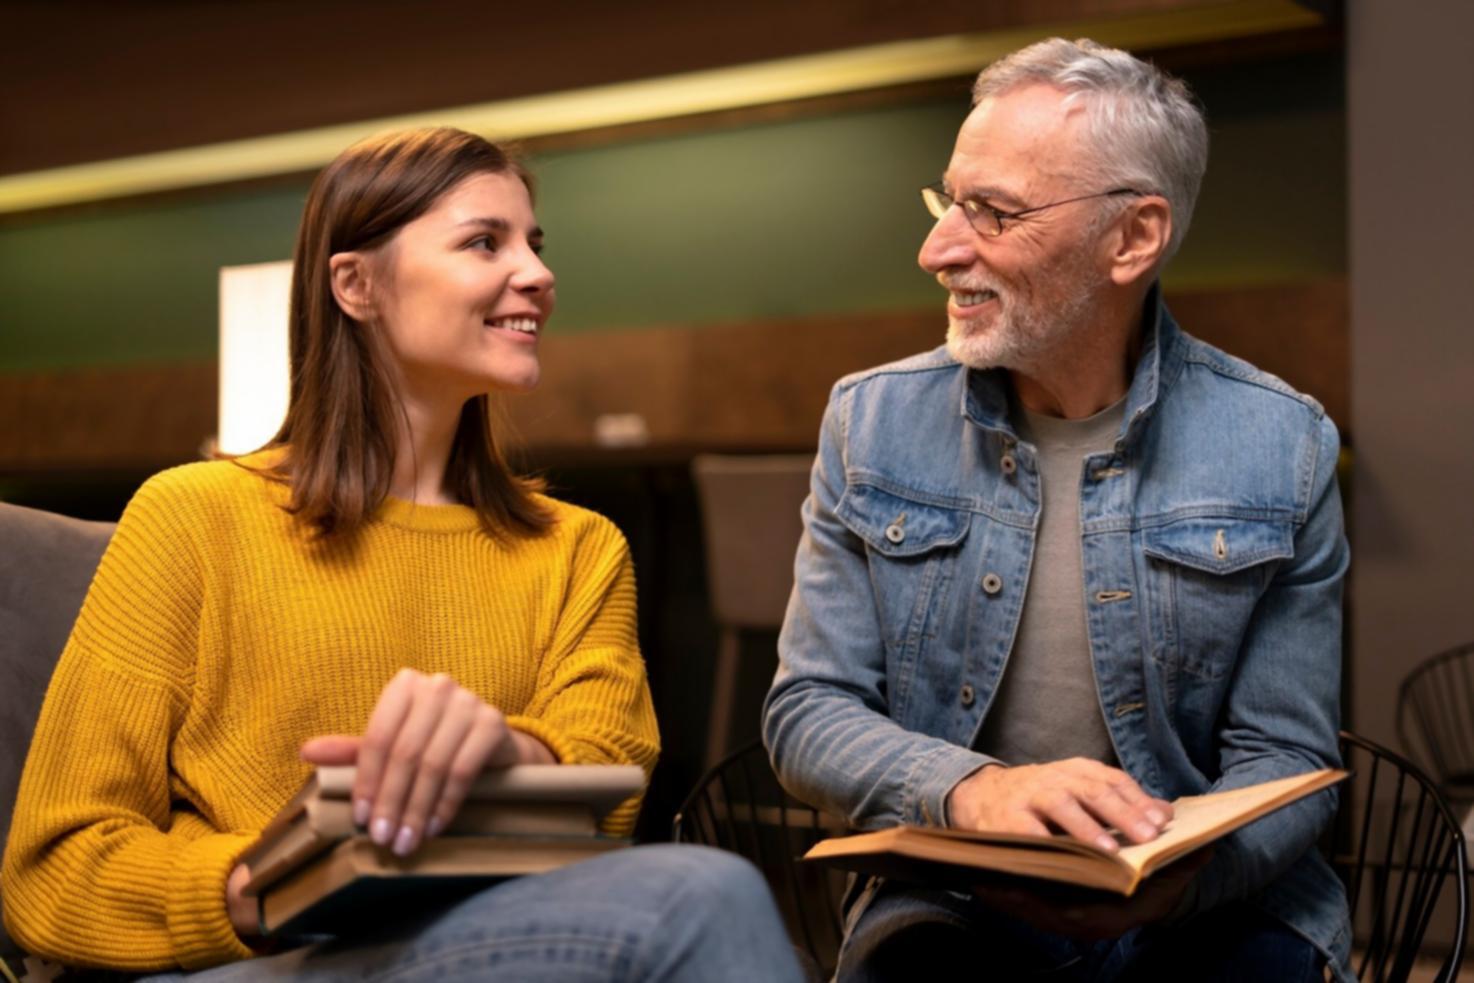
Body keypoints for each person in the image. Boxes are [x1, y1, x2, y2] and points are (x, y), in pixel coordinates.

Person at [3, 126, 803, 982]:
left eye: (534, 243)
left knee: (688, 891)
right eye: (484, 242)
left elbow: (608, 800)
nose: (536, 273)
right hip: (253, 958)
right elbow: (53, 869)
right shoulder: (193, 516)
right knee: (701, 896)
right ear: (355, 283)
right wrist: (277, 882)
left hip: (475, 941)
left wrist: (507, 757)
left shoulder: (577, 548)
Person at [763, 38, 1350, 982]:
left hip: (1207, 904)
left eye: (992, 212)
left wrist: (1179, 882)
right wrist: (975, 790)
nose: (937, 247)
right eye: (947, 200)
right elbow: (808, 711)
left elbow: (1284, 760)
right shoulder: (868, 421)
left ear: (1132, 238)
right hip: (952, 899)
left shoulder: (1283, 443)